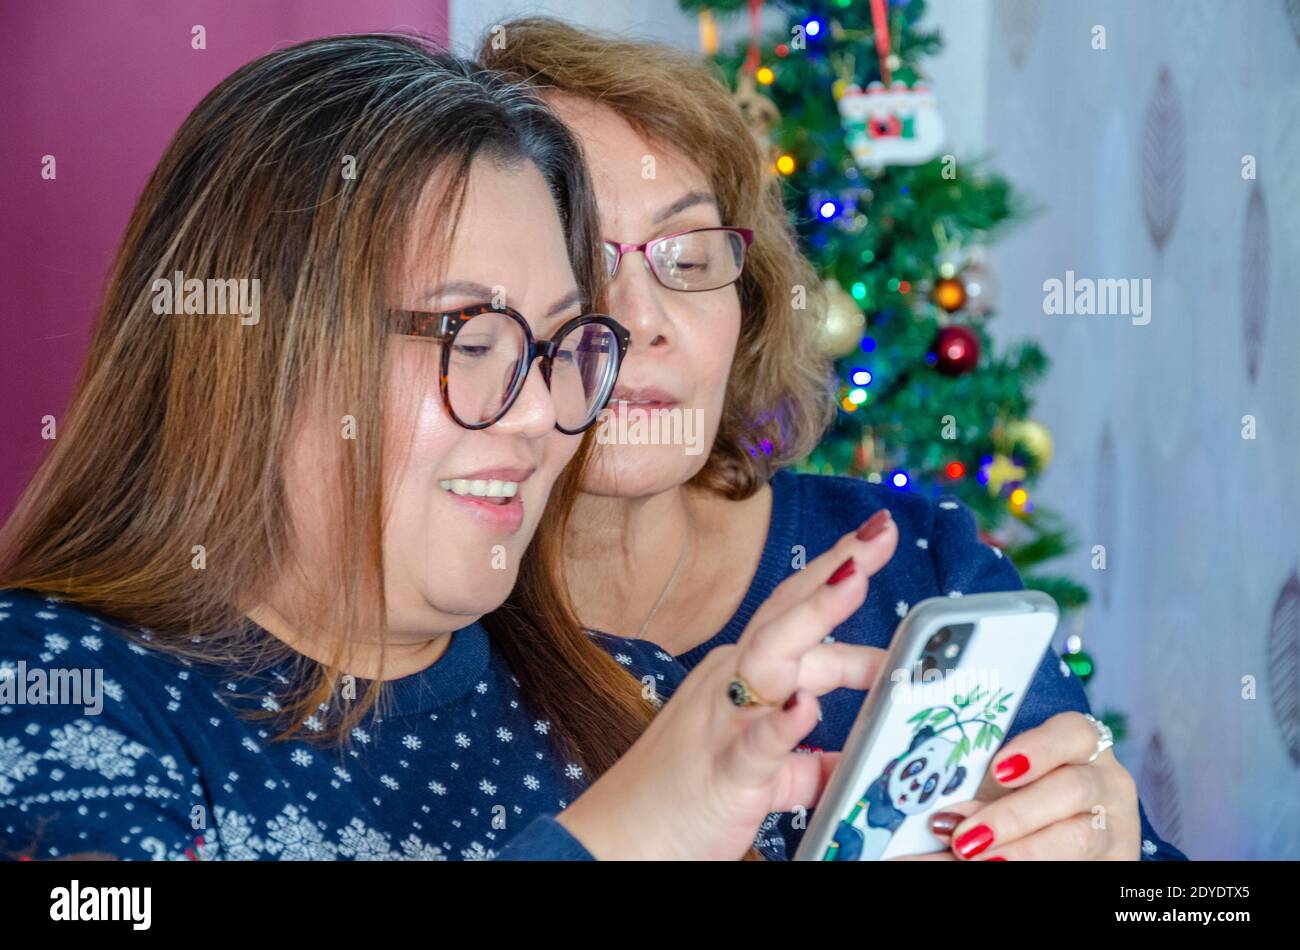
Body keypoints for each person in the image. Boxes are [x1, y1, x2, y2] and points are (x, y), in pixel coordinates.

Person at [0, 34, 894, 862]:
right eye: (471, 341)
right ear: (261, 349)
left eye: (555, 350)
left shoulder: (642, 702)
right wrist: (618, 838)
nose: (545, 416)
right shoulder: (53, 686)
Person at [480, 17, 1187, 861]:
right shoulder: (408, 631)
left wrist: (1116, 856)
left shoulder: (915, 565)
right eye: (578, 255)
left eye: (688, 255)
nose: (643, 319)